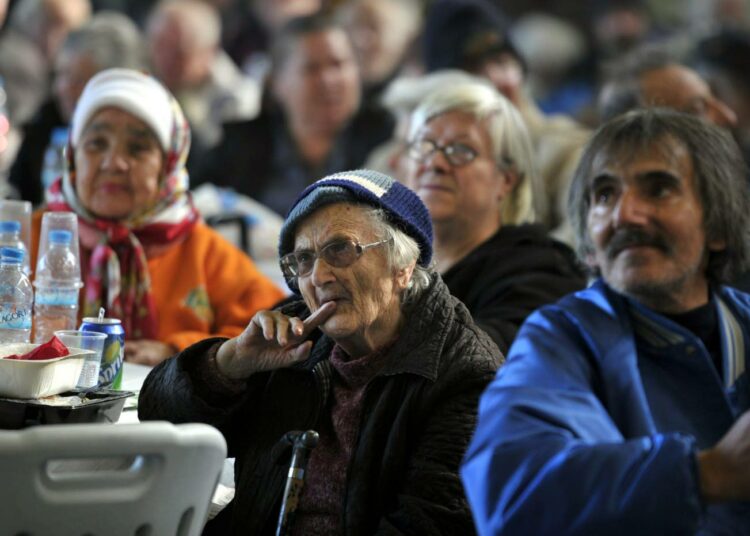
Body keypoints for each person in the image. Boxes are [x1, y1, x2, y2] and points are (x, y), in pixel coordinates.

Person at [138, 169, 502, 535]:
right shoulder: (292, 338)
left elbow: (431, 524)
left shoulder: (466, 374)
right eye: (304, 260)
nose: (318, 277)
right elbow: (160, 422)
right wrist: (230, 363)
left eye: (340, 249)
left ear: (403, 267)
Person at [462, 109, 750, 533]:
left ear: (718, 226)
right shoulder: (560, 338)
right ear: (590, 247)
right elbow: (510, 491)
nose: (625, 215)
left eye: (659, 189)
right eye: (604, 195)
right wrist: (705, 474)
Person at [31, 68, 284, 366]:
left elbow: (272, 331)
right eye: (97, 143)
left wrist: (176, 352)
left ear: (168, 165)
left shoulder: (199, 249)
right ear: (73, 156)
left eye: (138, 148)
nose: (114, 163)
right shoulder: (34, 236)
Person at [405, 81, 587, 353]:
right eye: (426, 145)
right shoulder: (389, 260)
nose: (436, 163)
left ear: (506, 179)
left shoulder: (541, 272)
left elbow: (488, 356)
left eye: (460, 150)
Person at [192, 13, 393, 217]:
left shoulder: (387, 140)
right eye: (312, 68)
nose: (329, 80)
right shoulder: (237, 151)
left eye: (338, 64)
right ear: (276, 82)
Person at [422, 0, 590, 243]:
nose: (495, 79)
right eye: (472, 69)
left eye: (502, 62)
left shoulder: (565, 149)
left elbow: (582, 236)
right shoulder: (406, 158)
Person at [9, 11, 146, 205]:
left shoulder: (148, 134)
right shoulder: (45, 124)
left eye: (78, 80)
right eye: (61, 75)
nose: (63, 89)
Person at [145, 0, 260, 161]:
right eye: (160, 45)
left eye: (179, 52)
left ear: (209, 52)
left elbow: (226, 160)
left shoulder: (238, 99)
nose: (166, 60)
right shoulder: (141, 79)